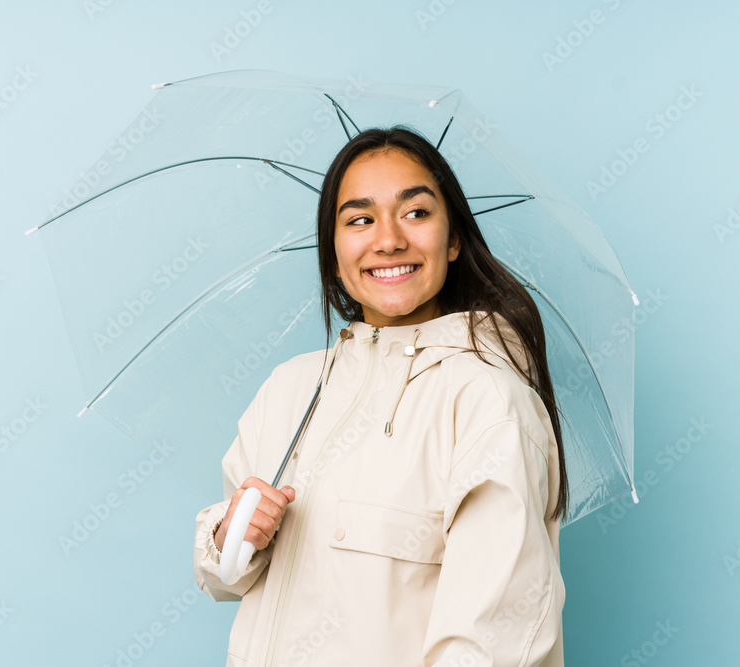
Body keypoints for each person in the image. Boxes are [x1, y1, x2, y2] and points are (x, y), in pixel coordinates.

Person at [195, 125, 568, 666]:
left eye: (416, 212)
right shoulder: (290, 387)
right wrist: (232, 535)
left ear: (454, 240)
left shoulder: (486, 398)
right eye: (360, 219)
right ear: (333, 252)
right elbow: (225, 578)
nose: (388, 240)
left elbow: (494, 637)